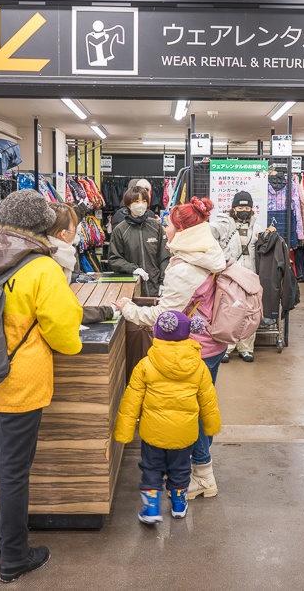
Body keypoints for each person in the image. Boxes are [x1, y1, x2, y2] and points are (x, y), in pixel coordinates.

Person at [0, 190, 84, 583]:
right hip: (19, 383)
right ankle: (14, 555)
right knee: (12, 472)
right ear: (43, 225)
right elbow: (65, 335)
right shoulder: (41, 269)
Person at [112, 197, 227, 500]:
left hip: (191, 347)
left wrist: (128, 310)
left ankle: (203, 475)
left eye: (168, 224)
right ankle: (198, 469)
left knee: (191, 411)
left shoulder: (184, 266)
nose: (163, 229)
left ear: (181, 229)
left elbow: (167, 317)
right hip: (211, 343)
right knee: (200, 406)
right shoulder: (207, 252)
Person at [114, 310, 222, 524]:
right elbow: (208, 401)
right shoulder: (199, 366)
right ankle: (179, 504)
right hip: (184, 433)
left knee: (151, 468)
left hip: (153, 433)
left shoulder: (145, 364)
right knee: (181, 468)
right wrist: (211, 426)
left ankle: (152, 508)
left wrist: (124, 432)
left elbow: (131, 401)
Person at [210, 191, 273, 363]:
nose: (243, 210)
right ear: (233, 208)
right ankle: (226, 348)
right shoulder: (223, 224)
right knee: (228, 311)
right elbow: (208, 235)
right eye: (240, 207)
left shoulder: (257, 228)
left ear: (252, 209)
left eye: (247, 207)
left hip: (251, 276)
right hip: (230, 276)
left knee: (249, 312)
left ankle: (246, 348)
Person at [47, 201, 115, 324]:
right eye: (75, 226)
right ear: (64, 233)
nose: (79, 230)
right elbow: (61, 313)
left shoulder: (59, 255)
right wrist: (107, 312)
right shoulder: (52, 264)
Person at [107, 185, 170, 297]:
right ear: (128, 204)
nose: (141, 205)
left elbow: (164, 257)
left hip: (154, 287)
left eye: (144, 201)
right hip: (131, 288)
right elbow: (114, 259)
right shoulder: (120, 230)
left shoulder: (156, 227)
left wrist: (164, 282)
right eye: (136, 201)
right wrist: (133, 269)